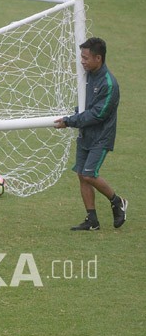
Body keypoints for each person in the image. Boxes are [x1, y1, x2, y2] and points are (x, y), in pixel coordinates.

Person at [54, 37, 127, 230]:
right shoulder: (86, 75)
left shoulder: (110, 84)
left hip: (101, 136)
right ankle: (92, 220)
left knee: (89, 174)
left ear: (98, 58)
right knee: (81, 174)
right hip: (85, 134)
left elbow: (97, 114)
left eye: (86, 58)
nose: (82, 61)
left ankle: (117, 201)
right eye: (81, 57)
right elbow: (85, 104)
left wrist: (69, 121)